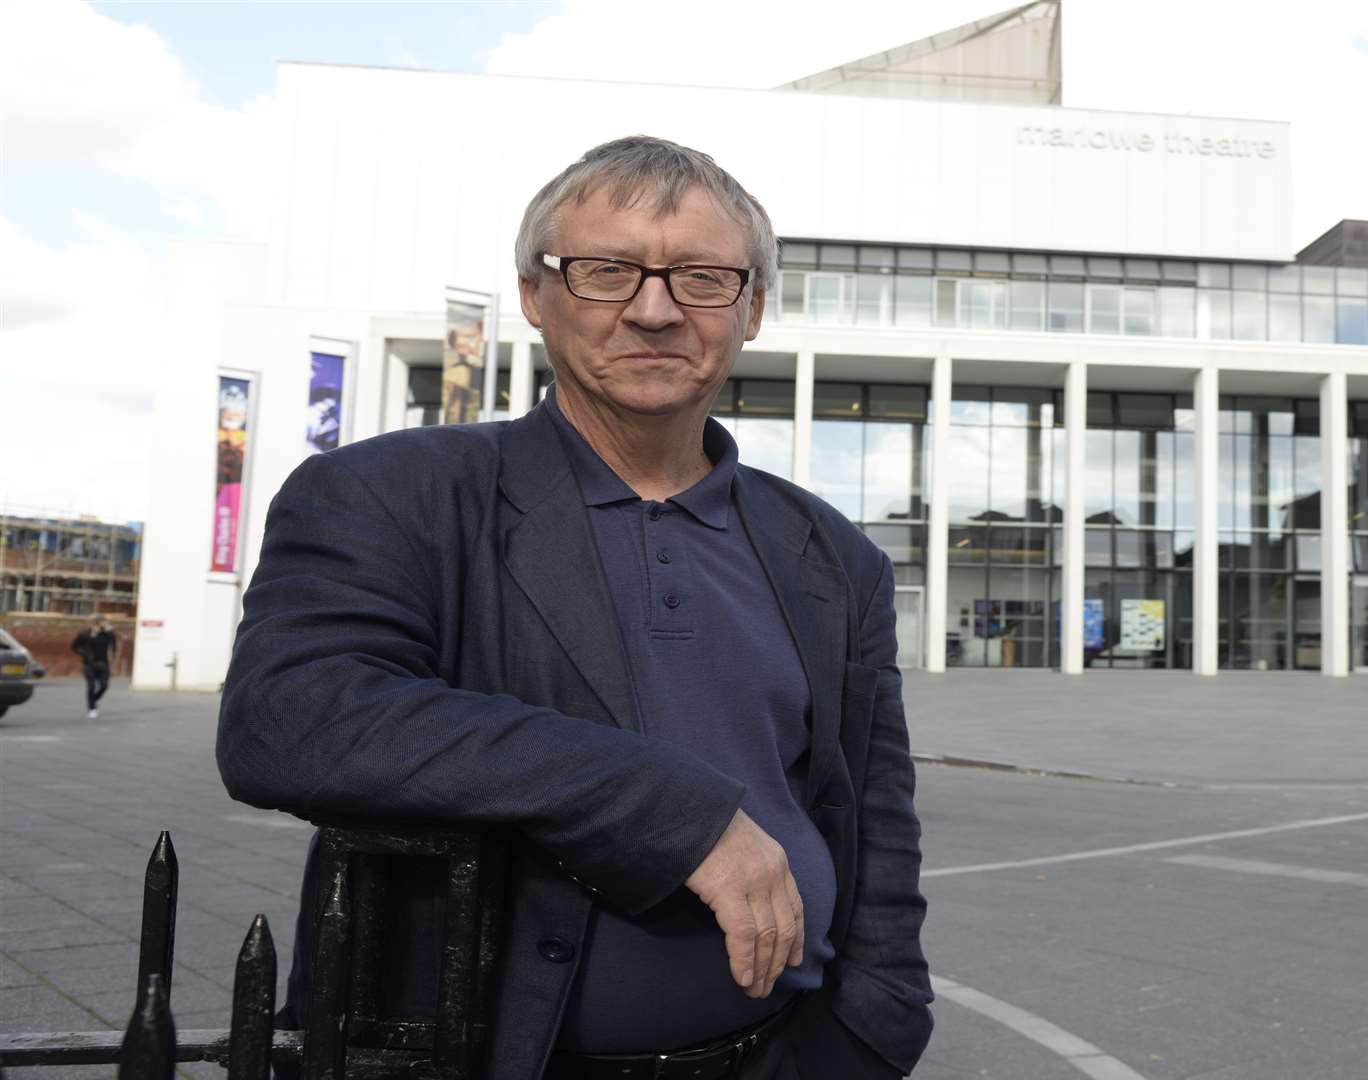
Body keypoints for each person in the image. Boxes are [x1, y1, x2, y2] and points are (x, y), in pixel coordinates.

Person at [217, 135, 932, 1080]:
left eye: (704, 278)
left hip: (779, 1057)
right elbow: (290, 716)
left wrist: (874, 1031)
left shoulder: (832, 555)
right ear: (534, 295)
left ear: (753, 307)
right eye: (606, 272)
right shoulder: (395, 493)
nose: (653, 310)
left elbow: (875, 817)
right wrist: (672, 809)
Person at [71, 614, 117, 719]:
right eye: (104, 622)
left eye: (106, 622)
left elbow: (113, 646)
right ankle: (92, 709)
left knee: (104, 686)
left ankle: (94, 699)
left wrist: (113, 657)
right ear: (97, 623)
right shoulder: (85, 634)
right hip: (89, 664)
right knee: (91, 686)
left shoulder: (108, 634)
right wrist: (84, 654)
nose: (106, 624)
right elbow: (74, 646)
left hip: (103, 664)